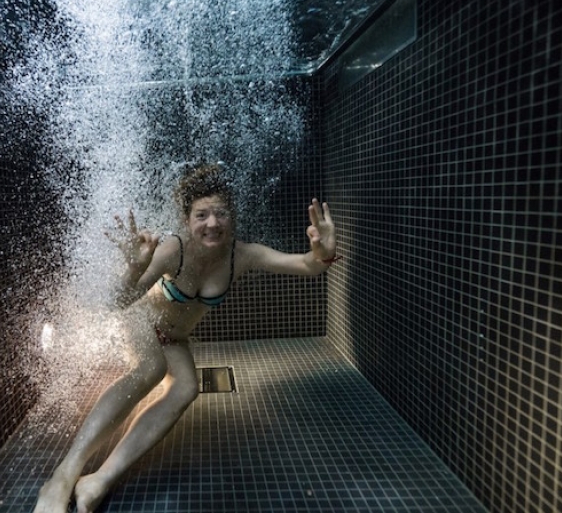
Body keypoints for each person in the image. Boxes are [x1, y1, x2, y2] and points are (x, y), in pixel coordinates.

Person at [34, 164, 338, 513]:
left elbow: (306, 265)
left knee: (186, 388)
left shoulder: (243, 255)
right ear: (187, 218)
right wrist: (133, 270)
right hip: (141, 321)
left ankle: (99, 479)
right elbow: (118, 304)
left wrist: (322, 252)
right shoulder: (173, 250)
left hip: (173, 338)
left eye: (221, 213)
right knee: (151, 369)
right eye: (202, 214)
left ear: (232, 215)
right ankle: (62, 476)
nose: (212, 223)